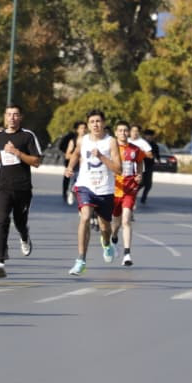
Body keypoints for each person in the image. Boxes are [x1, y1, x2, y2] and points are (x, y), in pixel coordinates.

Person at [0, 104, 43, 278]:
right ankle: (0, 261)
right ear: (5, 117)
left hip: (22, 188)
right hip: (3, 186)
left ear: (21, 117)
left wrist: (17, 152)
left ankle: (24, 236)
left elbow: (36, 161)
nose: (12, 117)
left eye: (15, 115)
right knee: (1, 221)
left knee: (19, 222)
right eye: (9, 114)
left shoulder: (27, 136)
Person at [63, 110, 118, 275]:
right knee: (85, 217)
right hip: (85, 186)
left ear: (104, 123)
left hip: (105, 189)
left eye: (98, 121)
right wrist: (70, 167)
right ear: (88, 125)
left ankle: (107, 243)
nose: (95, 124)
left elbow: (118, 168)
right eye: (92, 121)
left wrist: (101, 156)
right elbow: (76, 154)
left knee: (105, 226)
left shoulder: (111, 142)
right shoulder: (84, 140)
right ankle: (81, 260)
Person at [108, 121, 144, 266]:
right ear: (116, 133)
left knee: (126, 220)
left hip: (130, 189)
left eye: (125, 131)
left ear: (128, 133)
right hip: (115, 190)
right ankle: (114, 237)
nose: (123, 133)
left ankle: (127, 254)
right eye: (120, 131)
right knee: (116, 222)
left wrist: (139, 174)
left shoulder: (135, 149)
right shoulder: (111, 149)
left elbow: (140, 162)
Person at [57, 120, 84, 206]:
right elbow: (67, 154)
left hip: (85, 167)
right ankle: (69, 192)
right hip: (75, 166)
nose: (83, 130)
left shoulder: (90, 140)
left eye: (85, 128)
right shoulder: (73, 140)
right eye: (81, 128)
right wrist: (76, 157)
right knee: (72, 181)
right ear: (77, 130)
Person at [139, 128, 161, 205]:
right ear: (145, 136)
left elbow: (157, 155)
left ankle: (143, 198)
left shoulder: (154, 145)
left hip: (150, 166)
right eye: (148, 136)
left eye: (151, 136)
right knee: (141, 183)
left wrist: (158, 160)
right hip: (141, 165)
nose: (149, 137)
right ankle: (132, 194)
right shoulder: (141, 144)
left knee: (148, 184)